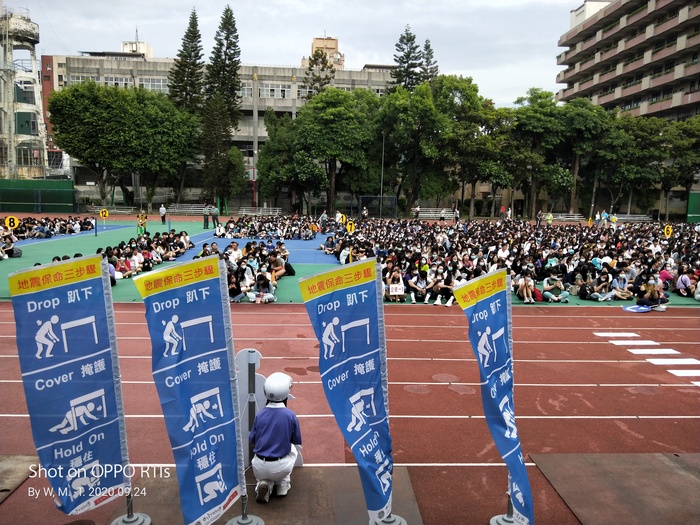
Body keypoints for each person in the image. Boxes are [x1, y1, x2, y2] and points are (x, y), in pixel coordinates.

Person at [249, 372, 302, 503]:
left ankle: (264, 484)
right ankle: (283, 485)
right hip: (281, 467)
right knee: (293, 450)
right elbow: (296, 440)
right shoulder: (290, 415)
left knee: (264, 474)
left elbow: (252, 440)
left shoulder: (260, 414)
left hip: (259, 466)